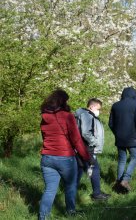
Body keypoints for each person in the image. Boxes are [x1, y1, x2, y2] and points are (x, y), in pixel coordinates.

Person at [39, 89, 93, 220]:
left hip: (47, 157)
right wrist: (87, 157)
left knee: (50, 190)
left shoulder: (44, 117)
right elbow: (76, 139)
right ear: (63, 101)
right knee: (70, 186)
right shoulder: (67, 116)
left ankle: (42, 217)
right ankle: (70, 212)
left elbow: (44, 136)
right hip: (65, 158)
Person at [109, 87, 136, 192]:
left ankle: (118, 182)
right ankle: (126, 179)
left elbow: (110, 124)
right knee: (134, 158)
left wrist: (117, 133)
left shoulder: (115, 105)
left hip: (120, 138)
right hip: (132, 137)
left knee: (122, 160)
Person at [75, 98, 110, 200]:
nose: (98, 111)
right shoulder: (87, 115)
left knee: (80, 169)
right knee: (95, 169)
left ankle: (71, 190)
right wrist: (94, 142)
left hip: (81, 147)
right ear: (92, 106)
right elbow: (86, 132)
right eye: (98, 108)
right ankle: (97, 194)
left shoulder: (82, 114)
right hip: (87, 147)